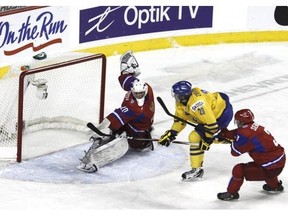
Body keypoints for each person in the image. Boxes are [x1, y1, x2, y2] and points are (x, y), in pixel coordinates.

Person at [77, 50, 155, 173]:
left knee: (114, 140)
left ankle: (93, 162)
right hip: (140, 125)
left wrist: (102, 128)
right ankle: (144, 136)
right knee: (113, 131)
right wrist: (127, 72)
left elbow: (114, 118)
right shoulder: (147, 88)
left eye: (140, 94)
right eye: (136, 93)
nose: (138, 95)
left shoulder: (134, 108)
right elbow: (127, 83)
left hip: (135, 136)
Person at [158, 80, 233, 181]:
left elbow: (211, 124)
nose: (175, 97)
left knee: (195, 137)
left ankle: (197, 170)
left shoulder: (198, 104)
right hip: (210, 116)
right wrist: (172, 133)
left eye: (176, 95)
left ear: (183, 96)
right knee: (199, 139)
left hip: (221, 114)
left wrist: (207, 139)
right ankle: (224, 138)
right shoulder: (181, 101)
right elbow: (181, 120)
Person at [217, 109, 286, 201]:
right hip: (279, 161)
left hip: (270, 167)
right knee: (264, 164)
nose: (237, 123)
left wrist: (231, 141)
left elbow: (235, 152)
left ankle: (231, 194)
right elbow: (238, 133)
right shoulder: (254, 126)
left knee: (238, 169)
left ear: (241, 121)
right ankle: (275, 186)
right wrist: (225, 133)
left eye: (237, 121)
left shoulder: (246, 134)